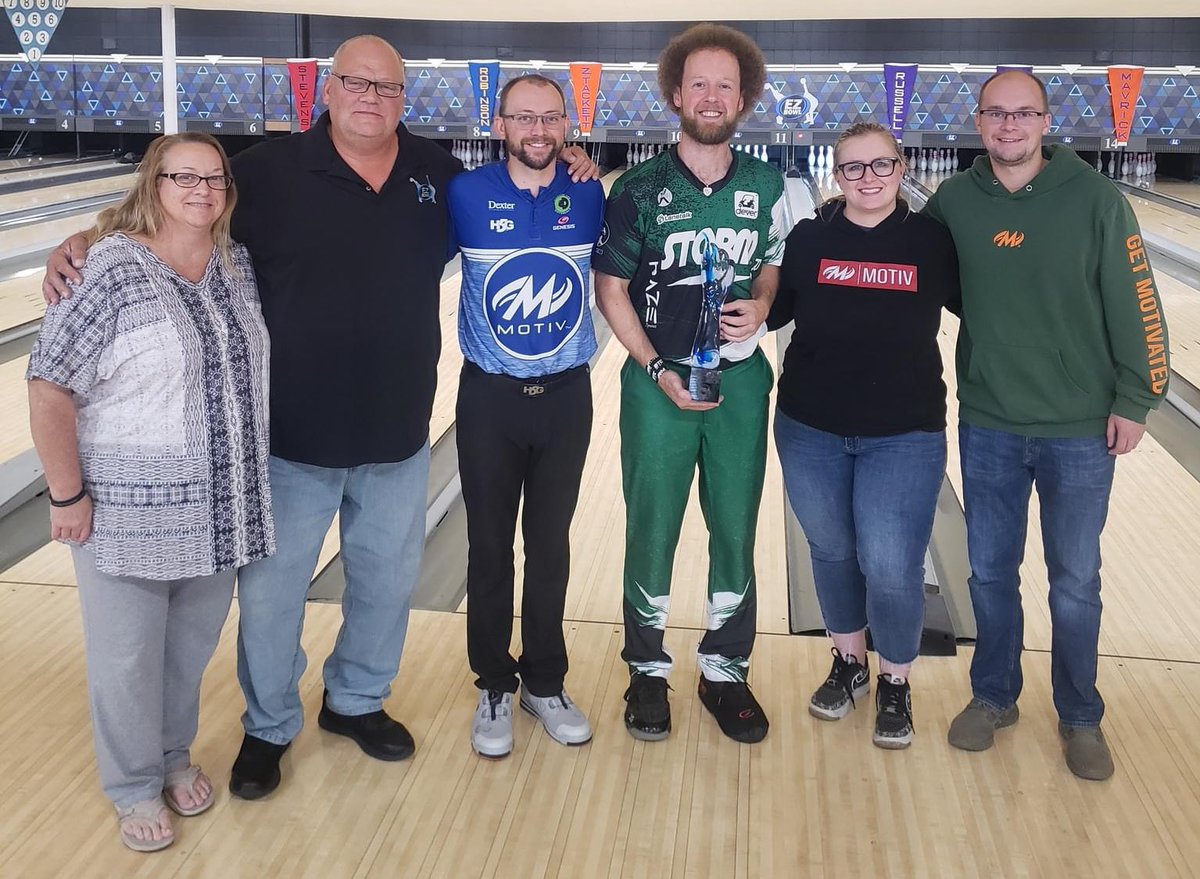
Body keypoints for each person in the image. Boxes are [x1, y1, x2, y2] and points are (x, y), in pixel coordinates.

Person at [44, 35, 598, 800]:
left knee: (384, 582)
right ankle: (269, 725)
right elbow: (178, 206)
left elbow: (528, 190)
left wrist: (577, 162)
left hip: (400, 431)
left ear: (405, 98)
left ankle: (356, 700)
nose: (372, 98)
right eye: (356, 84)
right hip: (289, 438)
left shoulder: (438, 173)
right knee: (271, 599)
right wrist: (84, 237)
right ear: (327, 91)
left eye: (388, 88)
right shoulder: (264, 174)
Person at [27, 133, 272, 851]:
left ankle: (170, 756)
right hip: (127, 510)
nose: (201, 189)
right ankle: (133, 784)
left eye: (213, 177)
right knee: (127, 655)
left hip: (220, 508)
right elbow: (48, 387)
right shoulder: (105, 269)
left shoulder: (236, 263)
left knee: (186, 650)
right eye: (182, 176)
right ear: (152, 181)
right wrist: (67, 496)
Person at [923, 70, 1170, 780]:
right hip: (991, 418)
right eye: (996, 114)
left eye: (1022, 113)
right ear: (978, 121)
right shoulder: (953, 201)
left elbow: (1138, 301)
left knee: (1075, 581)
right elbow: (922, 274)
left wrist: (1138, 397)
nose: (1008, 125)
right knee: (991, 573)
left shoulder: (1097, 198)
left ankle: (1080, 714)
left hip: (1081, 428)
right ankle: (994, 695)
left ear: (1045, 119)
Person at [593, 23, 787, 745]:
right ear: (676, 93)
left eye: (725, 85)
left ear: (745, 98)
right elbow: (610, 287)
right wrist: (653, 369)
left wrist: (764, 302)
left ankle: (725, 671)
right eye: (698, 83)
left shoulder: (767, 184)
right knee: (653, 529)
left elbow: (771, 262)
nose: (711, 96)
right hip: (657, 385)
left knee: (735, 529)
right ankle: (647, 671)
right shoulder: (639, 188)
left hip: (741, 384)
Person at [768, 121, 960, 749]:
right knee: (829, 551)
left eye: (881, 165)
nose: (868, 178)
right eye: (853, 167)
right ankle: (849, 665)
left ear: (903, 168)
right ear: (835, 174)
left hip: (903, 431)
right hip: (810, 425)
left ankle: (895, 683)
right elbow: (772, 308)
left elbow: (999, 303)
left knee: (891, 564)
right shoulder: (809, 238)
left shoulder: (932, 241)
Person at [447, 74, 605, 758]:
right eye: (524, 118)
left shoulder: (592, 191)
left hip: (567, 396)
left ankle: (546, 680)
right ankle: (493, 682)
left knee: (550, 549)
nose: (538, 130)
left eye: (550, 119)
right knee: (488, 549)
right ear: (499, 124)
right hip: (489, 398)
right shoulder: (464, 194)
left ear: (566, 126)